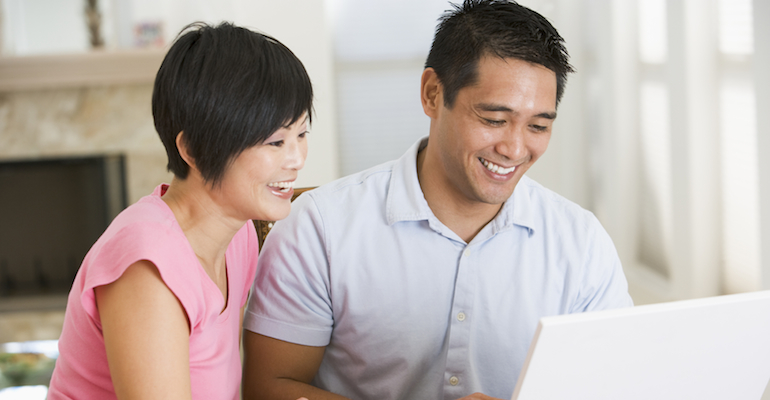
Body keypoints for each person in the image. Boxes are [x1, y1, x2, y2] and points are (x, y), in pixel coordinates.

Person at [242, 1, 633, 399]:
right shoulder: (319, 227)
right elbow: (269, 389)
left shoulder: (581, 243)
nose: (515, 149)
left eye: (537, 126)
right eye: (494, 120)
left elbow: (619, 384)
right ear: (432, 94)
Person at [47, 22, 312, 400]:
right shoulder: (147, 267)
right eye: (276, 141)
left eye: (302, 134)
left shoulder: (237, 235)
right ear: (195, 149)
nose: (297, 158)